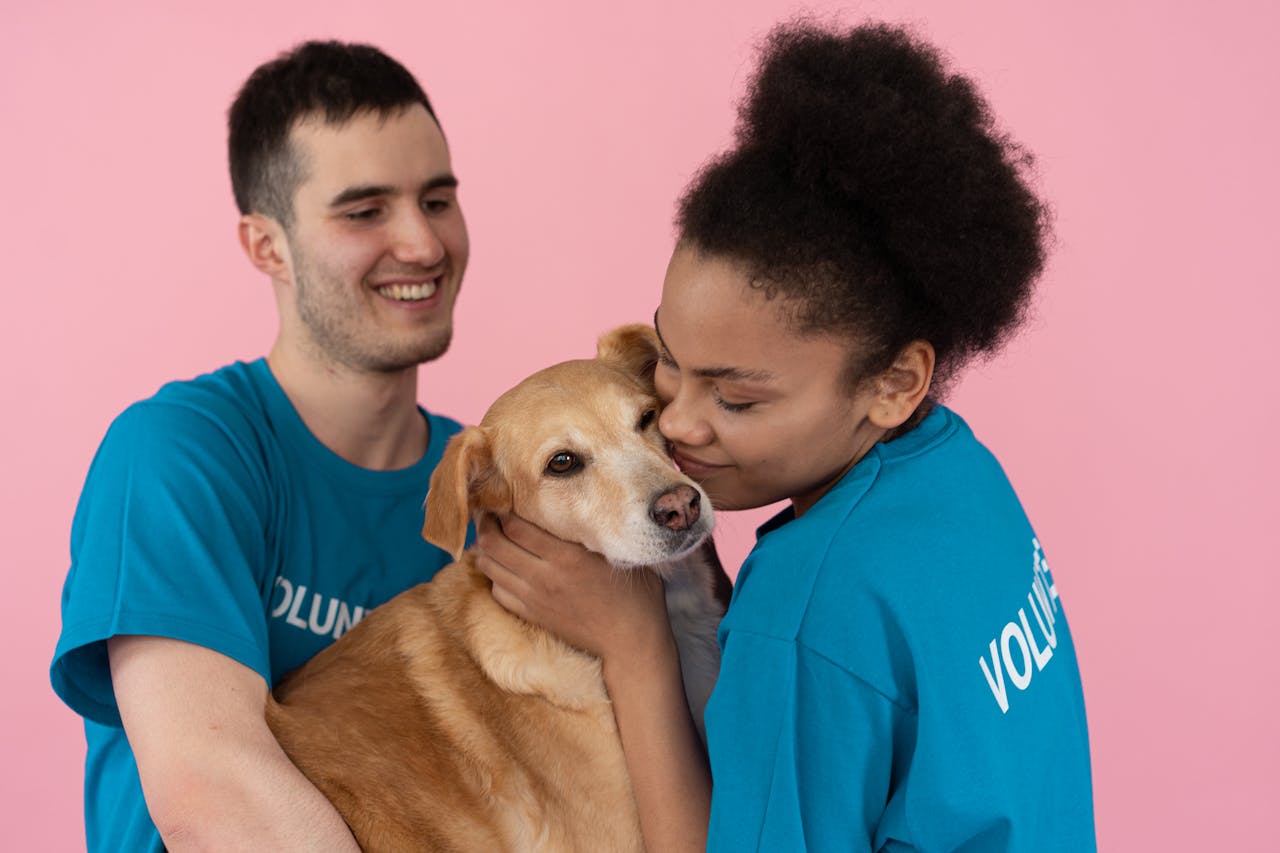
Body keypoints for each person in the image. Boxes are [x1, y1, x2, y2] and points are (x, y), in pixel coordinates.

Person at [475, 21, 1096, 852]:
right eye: (668, 363)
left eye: (735, 397)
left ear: (893, 382)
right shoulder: (963, 473)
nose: (681, 424)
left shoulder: (803, 615)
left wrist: (635, 646)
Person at [50, 41, 469, 851]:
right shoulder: (179, 455)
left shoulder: (495, 486)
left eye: (438, 199)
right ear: (266, 246)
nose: (422, 244)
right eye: (365, 210)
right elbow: (216, 795)